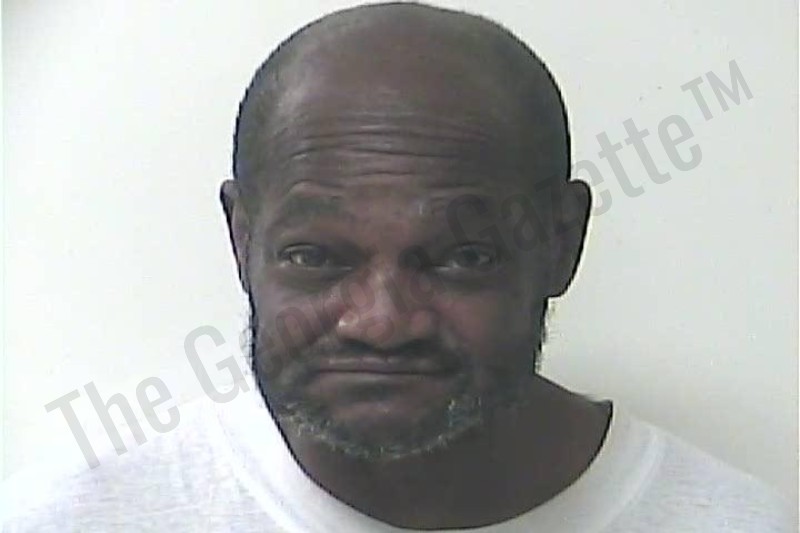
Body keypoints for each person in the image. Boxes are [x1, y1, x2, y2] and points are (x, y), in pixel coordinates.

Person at [5, 2, 794, 532]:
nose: (381, 321)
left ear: (562, 243)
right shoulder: (85, 518)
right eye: (316, 258)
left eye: (460, 258)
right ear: (242, 241)